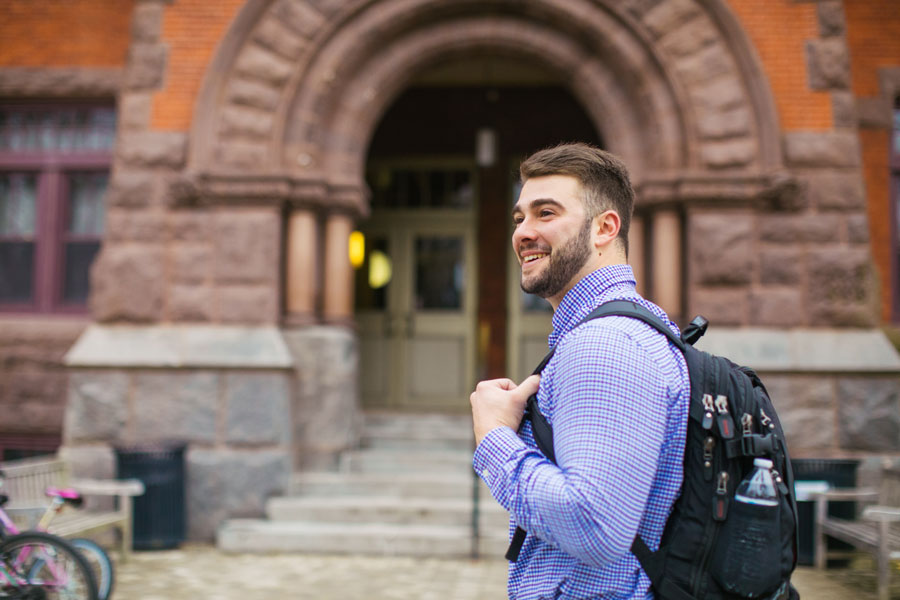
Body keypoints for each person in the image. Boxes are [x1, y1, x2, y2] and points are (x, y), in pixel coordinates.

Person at [470, 142, 690, 599]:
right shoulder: (632, 327)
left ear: (605, 228)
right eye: (519, 218)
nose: (523, 233)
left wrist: (495, 439)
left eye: (545, 213)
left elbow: (592, 527)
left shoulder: (605, 345)